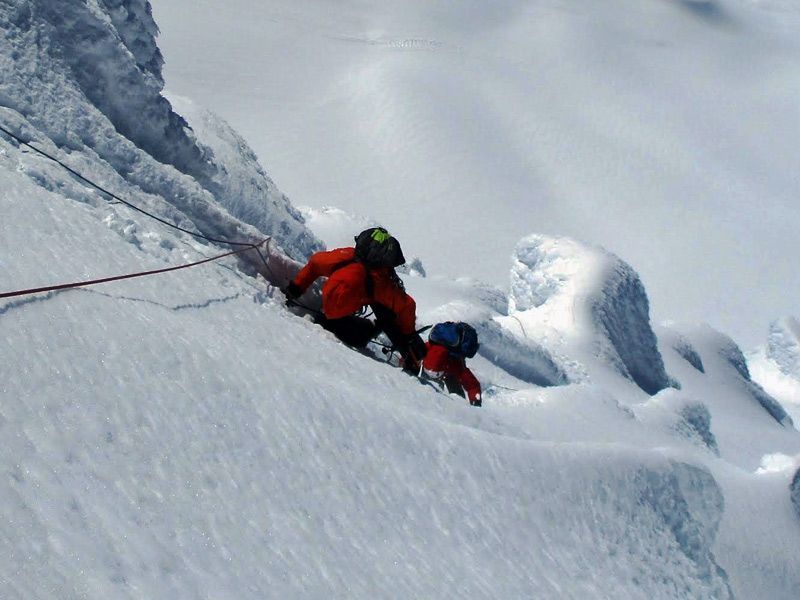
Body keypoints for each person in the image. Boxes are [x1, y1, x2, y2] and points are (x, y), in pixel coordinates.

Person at [283, 227, 426, 369]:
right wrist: (409, 334)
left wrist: (295, 288)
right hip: (359, 300)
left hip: (348, 302)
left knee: (350, 328)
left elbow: (315, 263)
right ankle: (402, 348)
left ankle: (377, 330)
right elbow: (407, 305)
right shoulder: (380, 285)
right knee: (360, 334)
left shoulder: (342, 260)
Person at [422, 321, 482, 406]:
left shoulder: (430, 346)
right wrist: (476, 402)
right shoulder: (455, 363)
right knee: (455, 389)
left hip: (422, 374)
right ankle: (458, 409)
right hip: (441, 381)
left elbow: (414, 352)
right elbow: (472, 385)